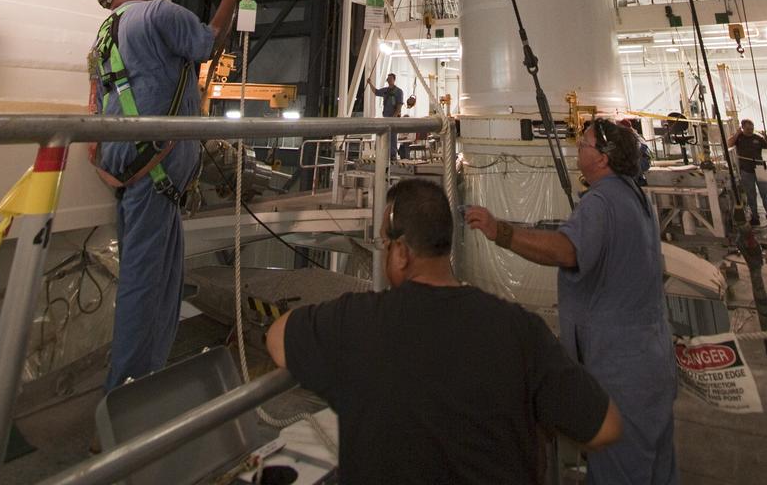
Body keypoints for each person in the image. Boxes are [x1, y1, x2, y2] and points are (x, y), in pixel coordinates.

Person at [266, 179, 621, 485]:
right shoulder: (519, 329)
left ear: (401, 252)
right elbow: (604, 428)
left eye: (385, 246)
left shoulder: (355, 322)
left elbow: (278, 338)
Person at [467, 118, 677, 485]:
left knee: (621, 471)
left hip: (619, 374)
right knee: (656, 469)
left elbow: (567, 250)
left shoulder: (601, 203)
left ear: (604, 158)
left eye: (584, 145)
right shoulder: (635, 197)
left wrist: (499, 230)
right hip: (652, 364)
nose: (578, 150)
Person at [89, 0, 244, 390]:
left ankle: (148, 379)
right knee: (145, 287)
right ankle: (124, 395)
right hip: (156, 175)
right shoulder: (158, 12)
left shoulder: (105, 36)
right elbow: (206, 46)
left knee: (164, 283)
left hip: (136, 173)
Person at [728, 119, 767, 226]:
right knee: (751, 195)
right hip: (746, 170)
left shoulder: (757, 138)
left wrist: (766, 137)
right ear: (743, 128)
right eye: (748, 129)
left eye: (752, 128)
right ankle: (755, 217)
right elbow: (729, 144)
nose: (750, 131)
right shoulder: (739, 138)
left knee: (766, 194)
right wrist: (737, 133)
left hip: (760, 168)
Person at [367, 70, 403, 160]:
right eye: (388, 78)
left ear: (394, 80)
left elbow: (399, 105)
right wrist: (370, 83)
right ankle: (385, 153)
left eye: (390, 78)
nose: (388, 79)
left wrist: (394, 117)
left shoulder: (398, 91)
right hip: (386, 117)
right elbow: (376, 92)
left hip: (393, 118)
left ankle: (393, 154)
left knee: (393, 136)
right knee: (386, 135)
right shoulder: (385, 91)